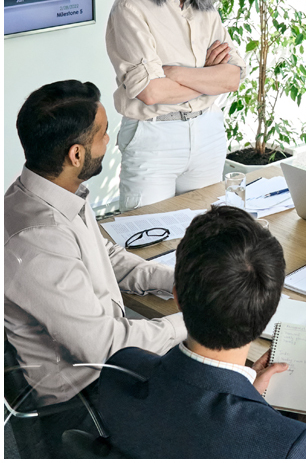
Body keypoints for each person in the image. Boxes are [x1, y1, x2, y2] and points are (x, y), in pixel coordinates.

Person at [99, 205, 306, 459]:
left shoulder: (120, 373)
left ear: (177, 296)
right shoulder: (289, 447)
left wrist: (249, 394)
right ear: (270, 310)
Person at [4, 80, 187, 455]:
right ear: (76, 154)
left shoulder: (52, 192)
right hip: (84, 401)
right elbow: (106, 347)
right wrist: (196, 318)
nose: (110, 141)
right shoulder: (38, 239)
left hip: (104, 370)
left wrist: (185, 280)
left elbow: (110, 258)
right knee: (214, 405)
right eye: (103, 134)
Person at [106, 0, 246, 212]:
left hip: (207, 134)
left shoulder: (207, 9)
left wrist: (174, 73)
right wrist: (208, 78)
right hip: (153, 136)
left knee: (207, 241)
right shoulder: (131, 8)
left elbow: (232, 78)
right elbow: (151, 92)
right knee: (148, 239)